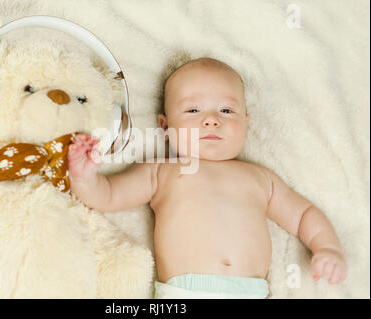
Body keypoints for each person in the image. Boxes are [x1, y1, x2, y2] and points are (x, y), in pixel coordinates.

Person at [67, 57, 347, 298]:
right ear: (165, 127)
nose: (212, 120)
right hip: (184, 294)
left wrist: (327, 247)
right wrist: (84, 175)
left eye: (226, 110)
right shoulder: (161, 171)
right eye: (193, 110)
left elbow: (302, 215)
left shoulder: (260, 178)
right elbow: (108, 195)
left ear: (245, 124)